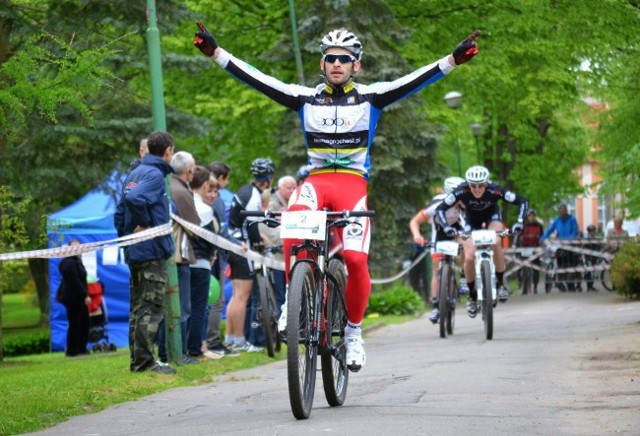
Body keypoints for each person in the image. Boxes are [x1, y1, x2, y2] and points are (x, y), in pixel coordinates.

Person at [194, 22, 481, 372]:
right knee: (292, 226)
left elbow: (414, 80)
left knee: (357, 261)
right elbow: (258, 79)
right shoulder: (305, 99)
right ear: (322, 64)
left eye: (344, 59)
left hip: (352, 185)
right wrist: (216, 53)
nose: (336, 64)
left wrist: (453, 59)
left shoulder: (371, 97)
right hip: (315, 182)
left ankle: (354, 332)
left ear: (355, 65)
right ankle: (293, 303)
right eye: (330, 58)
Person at [114, 130, 176, 374]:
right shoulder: (152, 174)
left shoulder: (135, 172)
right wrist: (146, 224)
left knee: (138, 307)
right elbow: (134, 200)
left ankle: (137, 361)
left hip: (136, 250)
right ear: (168, 150)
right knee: (151, 306)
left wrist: (127, 238)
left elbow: (119, 212)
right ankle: (145, 362)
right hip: (150, 250)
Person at [436, 165, 528, 318]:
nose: (477, 189)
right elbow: (440, 208)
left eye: (480, 185)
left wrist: (519, 222)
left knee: (496, 242)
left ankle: (499, 285)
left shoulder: (495, 190)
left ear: (486, 184)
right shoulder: (461, 190)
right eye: (473, 185)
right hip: (471, 221)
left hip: (492, 217)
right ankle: (472, 298)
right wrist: (446, 227)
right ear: (468, 184)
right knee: (470, 256)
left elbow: (522, 201)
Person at [224, 158, 275, 352]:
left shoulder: (244, 190)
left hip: (234, 244)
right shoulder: (254, 196)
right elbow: (252, 228)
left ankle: (230, 338)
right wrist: (260, 247)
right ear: (268, 178)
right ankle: (239, 340)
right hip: (242, 249)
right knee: (242, 297)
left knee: (236, 296)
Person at [409, 176, 466, 324]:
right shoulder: (436, 206)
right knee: (436, 269)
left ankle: (464, 276)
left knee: (466, 243)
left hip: (458, 234)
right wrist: (417, 236)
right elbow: (414, 221)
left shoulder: (467, 204)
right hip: (439, 235)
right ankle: (436, 305)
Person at [205, 161, 240, 357]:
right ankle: (212, 342)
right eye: (226, 179)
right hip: (214, 256)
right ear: (220, 178)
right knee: (216, 301)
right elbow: (220, 230)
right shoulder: (216, 200)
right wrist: (235, 243)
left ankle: (208, 342)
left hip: (213, 254)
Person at [186, 165, 219, 361]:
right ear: (206, 184)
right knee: (199, 306)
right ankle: (195, 349)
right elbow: (209, 240)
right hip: (201, 262)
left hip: (185, 261)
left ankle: (186, 347)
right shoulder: (205, 210)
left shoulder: (184, 203)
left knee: (186, 306)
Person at [55, 240, 91, 357]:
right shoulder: (68, 263)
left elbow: (82, 280)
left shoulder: (78, 261)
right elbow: (74, 282)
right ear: (69, 249)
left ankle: (81, 348)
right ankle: (72, 351)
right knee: (75, 323)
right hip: (72, 298)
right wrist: (84, 295)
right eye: (74, 247)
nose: (77, 249)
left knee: (84, 322)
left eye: (79, 247)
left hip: (79, 297)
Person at [541, 204, 580, 292]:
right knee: (560, 265)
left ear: (566, 210)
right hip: (560, 247)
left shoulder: (572, 220)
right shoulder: (557, 220)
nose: (563, 211)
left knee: (571, 265)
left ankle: (571, 285)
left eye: (564, 210)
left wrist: (569, 241)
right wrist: (543, 238)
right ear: (559, 211)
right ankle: (560, 282)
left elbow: (574, 231)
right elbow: (549, 230)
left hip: (570, 246)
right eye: (561, 210)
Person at [515, 209, 544, 294]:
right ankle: (520, 282)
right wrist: (517, 246)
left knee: (536, 268)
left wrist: (540, 245)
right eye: (530, 216)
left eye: (533, 216)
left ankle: (535, 286)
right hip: (525, 248)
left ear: (535, 217)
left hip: (535, 249)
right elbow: (519, 237)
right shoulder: (524, 226)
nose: (531, 218)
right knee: (521, 266)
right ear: (527, 217)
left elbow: (542, 237)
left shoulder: (539, 226)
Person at [583, 224, 602, 291]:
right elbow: (584, 248)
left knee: (593, 272)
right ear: (588, 232)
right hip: (588, 257)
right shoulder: (586, 239)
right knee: (589, 272)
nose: (592, 232)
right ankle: (589, 286)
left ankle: (591, 286)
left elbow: (599, 247)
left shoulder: (596, 239)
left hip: (595, 257)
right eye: (590, 231)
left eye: (593, 231)